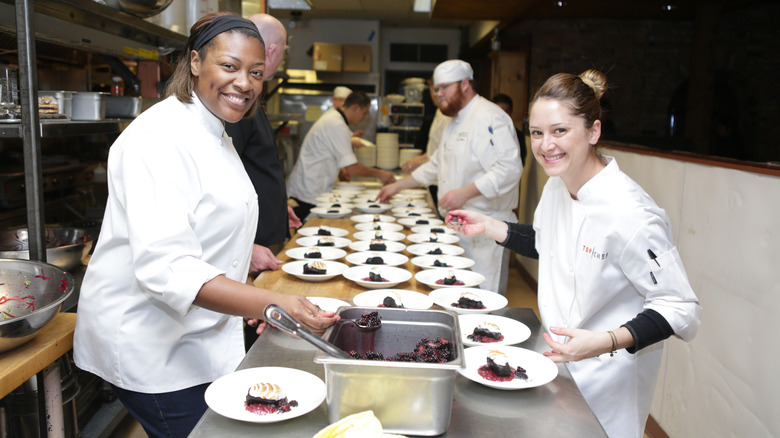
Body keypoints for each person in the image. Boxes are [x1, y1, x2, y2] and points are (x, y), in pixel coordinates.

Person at [73, 13, 339, 438]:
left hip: (195, 336)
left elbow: (206, 218)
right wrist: (270, 302)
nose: (245, 83)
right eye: (229, 66)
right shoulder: (159, 138)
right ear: (195, 63)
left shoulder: (217, 130)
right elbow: (169, 269)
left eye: (255, 72)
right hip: (150, 345)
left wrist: (246, 260)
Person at [445, 69, 701, 437]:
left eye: (559, 131)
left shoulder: (631, 213)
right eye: (537, 132)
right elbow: (547, 243)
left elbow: (680, 307)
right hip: (557, 362)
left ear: (593, 131)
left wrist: (606, 340)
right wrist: (488, 225)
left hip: (607, 374)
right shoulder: (556, 185)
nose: (546, 144)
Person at [378, 59, 523, 294]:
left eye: (444, 88)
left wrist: (465, 192)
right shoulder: (453, 121)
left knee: (482, 293)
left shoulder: (490, 117)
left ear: (465, 84)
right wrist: (397, 186)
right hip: (457, 226)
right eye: (436, 90)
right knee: (458, 293)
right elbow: (436, 164)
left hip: (485, 228)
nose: (439, 95)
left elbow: (509, 169)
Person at [226, 14, 300, 279]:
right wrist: (245, 246)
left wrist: (278, 208)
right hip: (247, 246)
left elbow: (252, 166)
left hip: (257, 238)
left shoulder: (251, 97)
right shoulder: (234, 101)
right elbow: (225, 179)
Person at [287, 90, 395, 220]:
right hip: (307, 191)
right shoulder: (336, 123)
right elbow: (353, 168)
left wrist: (340, 170)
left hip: (310, 187)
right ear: (356, 107)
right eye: (364, 113)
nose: (363, 118)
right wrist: (381, 174)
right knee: (305, 233)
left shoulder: (334, 118)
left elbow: (329, 150)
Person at [401, 79, 451, 209]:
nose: (435, 95)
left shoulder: (449, 115)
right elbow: (436, 149)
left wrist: (423, 162)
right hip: (433, 177)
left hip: (442, 179)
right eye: (432, 91)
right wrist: (421, 158)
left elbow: (446, 154)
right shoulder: (439, 112)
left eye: (437, 91)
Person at [491, 93, 527, 167]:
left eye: (506, 111)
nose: (503, 114)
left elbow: (521, 162)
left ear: (511, 112)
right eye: (500, 110)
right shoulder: (484, 132)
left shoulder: (518, 135)